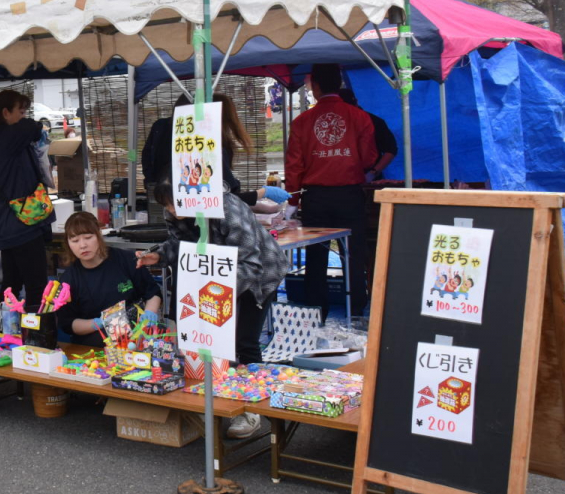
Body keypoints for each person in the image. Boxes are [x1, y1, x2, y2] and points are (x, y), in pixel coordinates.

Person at [137, 179, 289, 439]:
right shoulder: (175, 210)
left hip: (258, 275)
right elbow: (181, 245)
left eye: (175, 203)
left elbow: (251, 264)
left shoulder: (229, 208)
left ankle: (251, 408)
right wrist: (159, 255)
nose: (172, 210)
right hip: (210, 281)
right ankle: (215, 400)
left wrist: (213, 293)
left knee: (243, 341)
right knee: (205, 343)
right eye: (167, 205)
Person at [285, 64, 378, 317]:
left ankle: (316, 310)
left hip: (315, 197)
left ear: (315, 87)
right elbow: (369, 158)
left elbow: (294, 165)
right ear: (340, 84)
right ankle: (356, 308)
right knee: (353, 253)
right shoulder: (359, 117)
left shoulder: (302, 121)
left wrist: (292, 201)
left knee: (316, 254)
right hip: (349, 195)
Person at [142, 93, 289, 205]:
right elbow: (226, 199)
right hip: (196, 220)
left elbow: (147, 164)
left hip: (163, 205)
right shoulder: (208, 148)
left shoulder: (162, 129)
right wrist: (263, 192)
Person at [0, 89, 53, 312]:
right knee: (36, 286)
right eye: (21, 112)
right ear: (6, 112)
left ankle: (2, 327)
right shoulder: (7, 136)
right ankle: (35, 329)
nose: (24, 117)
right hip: (22, 223)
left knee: (11, 285)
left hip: (7, 222)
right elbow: (34, 127)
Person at [56, 212, 161, 346]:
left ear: (99, 234)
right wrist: (97, 323)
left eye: (88, 237)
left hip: (136, 335)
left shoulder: (126, 259)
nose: (82, 245)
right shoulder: (69, 280)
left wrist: (149, 314)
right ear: (68, 243)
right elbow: (68, 324)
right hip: (94, 344)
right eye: (75, 241)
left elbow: (153, 293)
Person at [338, 88, 397, 181]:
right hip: (341, 177)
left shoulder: (374, 121)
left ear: (356, 102)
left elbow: (391, 150)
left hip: (369, 177)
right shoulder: (336, 123)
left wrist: (373, 172)